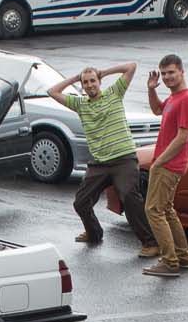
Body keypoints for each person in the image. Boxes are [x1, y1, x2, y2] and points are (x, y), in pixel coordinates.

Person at [47, 61, 159, 258]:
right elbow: (52, 91)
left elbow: (131, 66)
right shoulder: (80, 104)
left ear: (99, 82)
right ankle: (94, 233)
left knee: (129, 197)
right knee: (81, 202)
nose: (90, 85)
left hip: (124, 159)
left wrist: (104, 72)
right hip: (99, 163)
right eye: (86, 82)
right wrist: (75, 78)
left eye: (93, 81)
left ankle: (150, 243)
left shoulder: (114, 93)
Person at [137, 54, 188, 278]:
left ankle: (169, 262)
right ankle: (182, 256)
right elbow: (157, 110)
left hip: (169, 164)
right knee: (167, 210)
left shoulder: (187, 99)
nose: (167, 77)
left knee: (153, 210)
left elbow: (183, 137)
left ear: (182, 71)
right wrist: (151, 89)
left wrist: (159, 162)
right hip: (167, 163)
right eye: (164, 74)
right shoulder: (174, 97)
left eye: (171, 72)